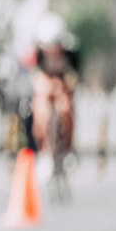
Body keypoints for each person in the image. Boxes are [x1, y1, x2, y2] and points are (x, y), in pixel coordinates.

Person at [30, 13, 79, 159]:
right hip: (45, 88)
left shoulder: (70, 54)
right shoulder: (38, 55)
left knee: (65, 108)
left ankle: (68, 148)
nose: (53, 51)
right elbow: (35, 77)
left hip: (62, 88)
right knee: (41, 111)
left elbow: (73, 77)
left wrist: (63, 86)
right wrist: (47, 87)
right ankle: (43, 148)